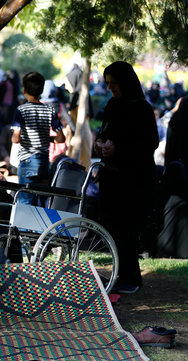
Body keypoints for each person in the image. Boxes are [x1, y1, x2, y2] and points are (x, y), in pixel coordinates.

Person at [94, 61, 159, 294]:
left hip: (133, 179)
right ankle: (120, 273)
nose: (111, 88)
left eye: (115, 84)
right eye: (108, 84)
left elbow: (150, 143)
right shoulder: (113, 105)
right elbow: (105, 131)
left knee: (128, 229)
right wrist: (100, 143)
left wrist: (118, 149)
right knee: (114, 227)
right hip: (112, 177)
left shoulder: (141, 107)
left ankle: (131, 276)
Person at [11, 71, 66, 204]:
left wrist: (15, 136)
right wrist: (47, 138)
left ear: (24, 89)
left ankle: (24, 226)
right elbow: (61, 139)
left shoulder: (21, 110)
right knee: (40, 201)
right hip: (43, 162)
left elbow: (16, 139)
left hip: (27, 162)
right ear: (41, 90)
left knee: (25, 202)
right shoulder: (50, 110)